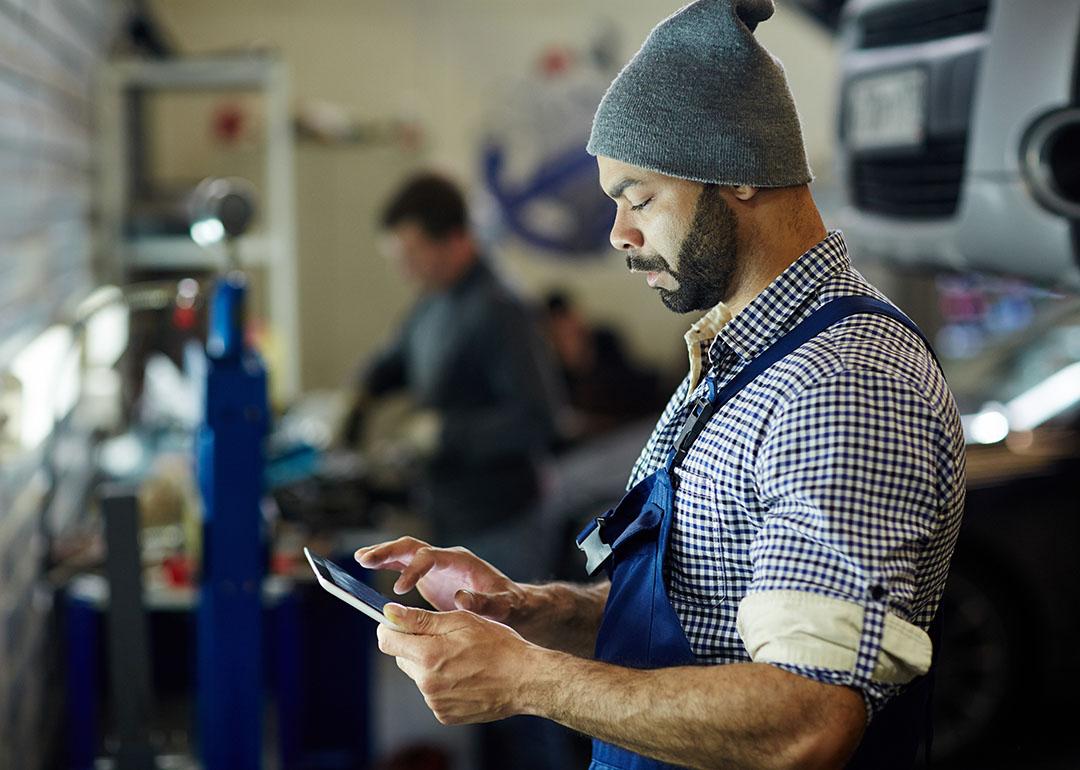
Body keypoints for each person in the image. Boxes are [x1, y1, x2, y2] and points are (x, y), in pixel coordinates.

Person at [355, 2, 966, 769]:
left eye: (639, 197)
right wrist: (525, 613)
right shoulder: (743, 357)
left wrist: (528, 682)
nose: (619, 234)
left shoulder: (842, 383)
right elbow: (702, 613)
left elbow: (809, 717)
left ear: (739, 171)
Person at [350, 172, 560, 577]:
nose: (405, 269)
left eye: (413, 254)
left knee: (496, 639)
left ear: (456, 239)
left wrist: (445, 434)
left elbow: (538, 420)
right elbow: (394, 360)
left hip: (501, 523)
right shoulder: (434, 299)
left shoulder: (501, 309)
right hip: (450, 515)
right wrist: (359, 394)